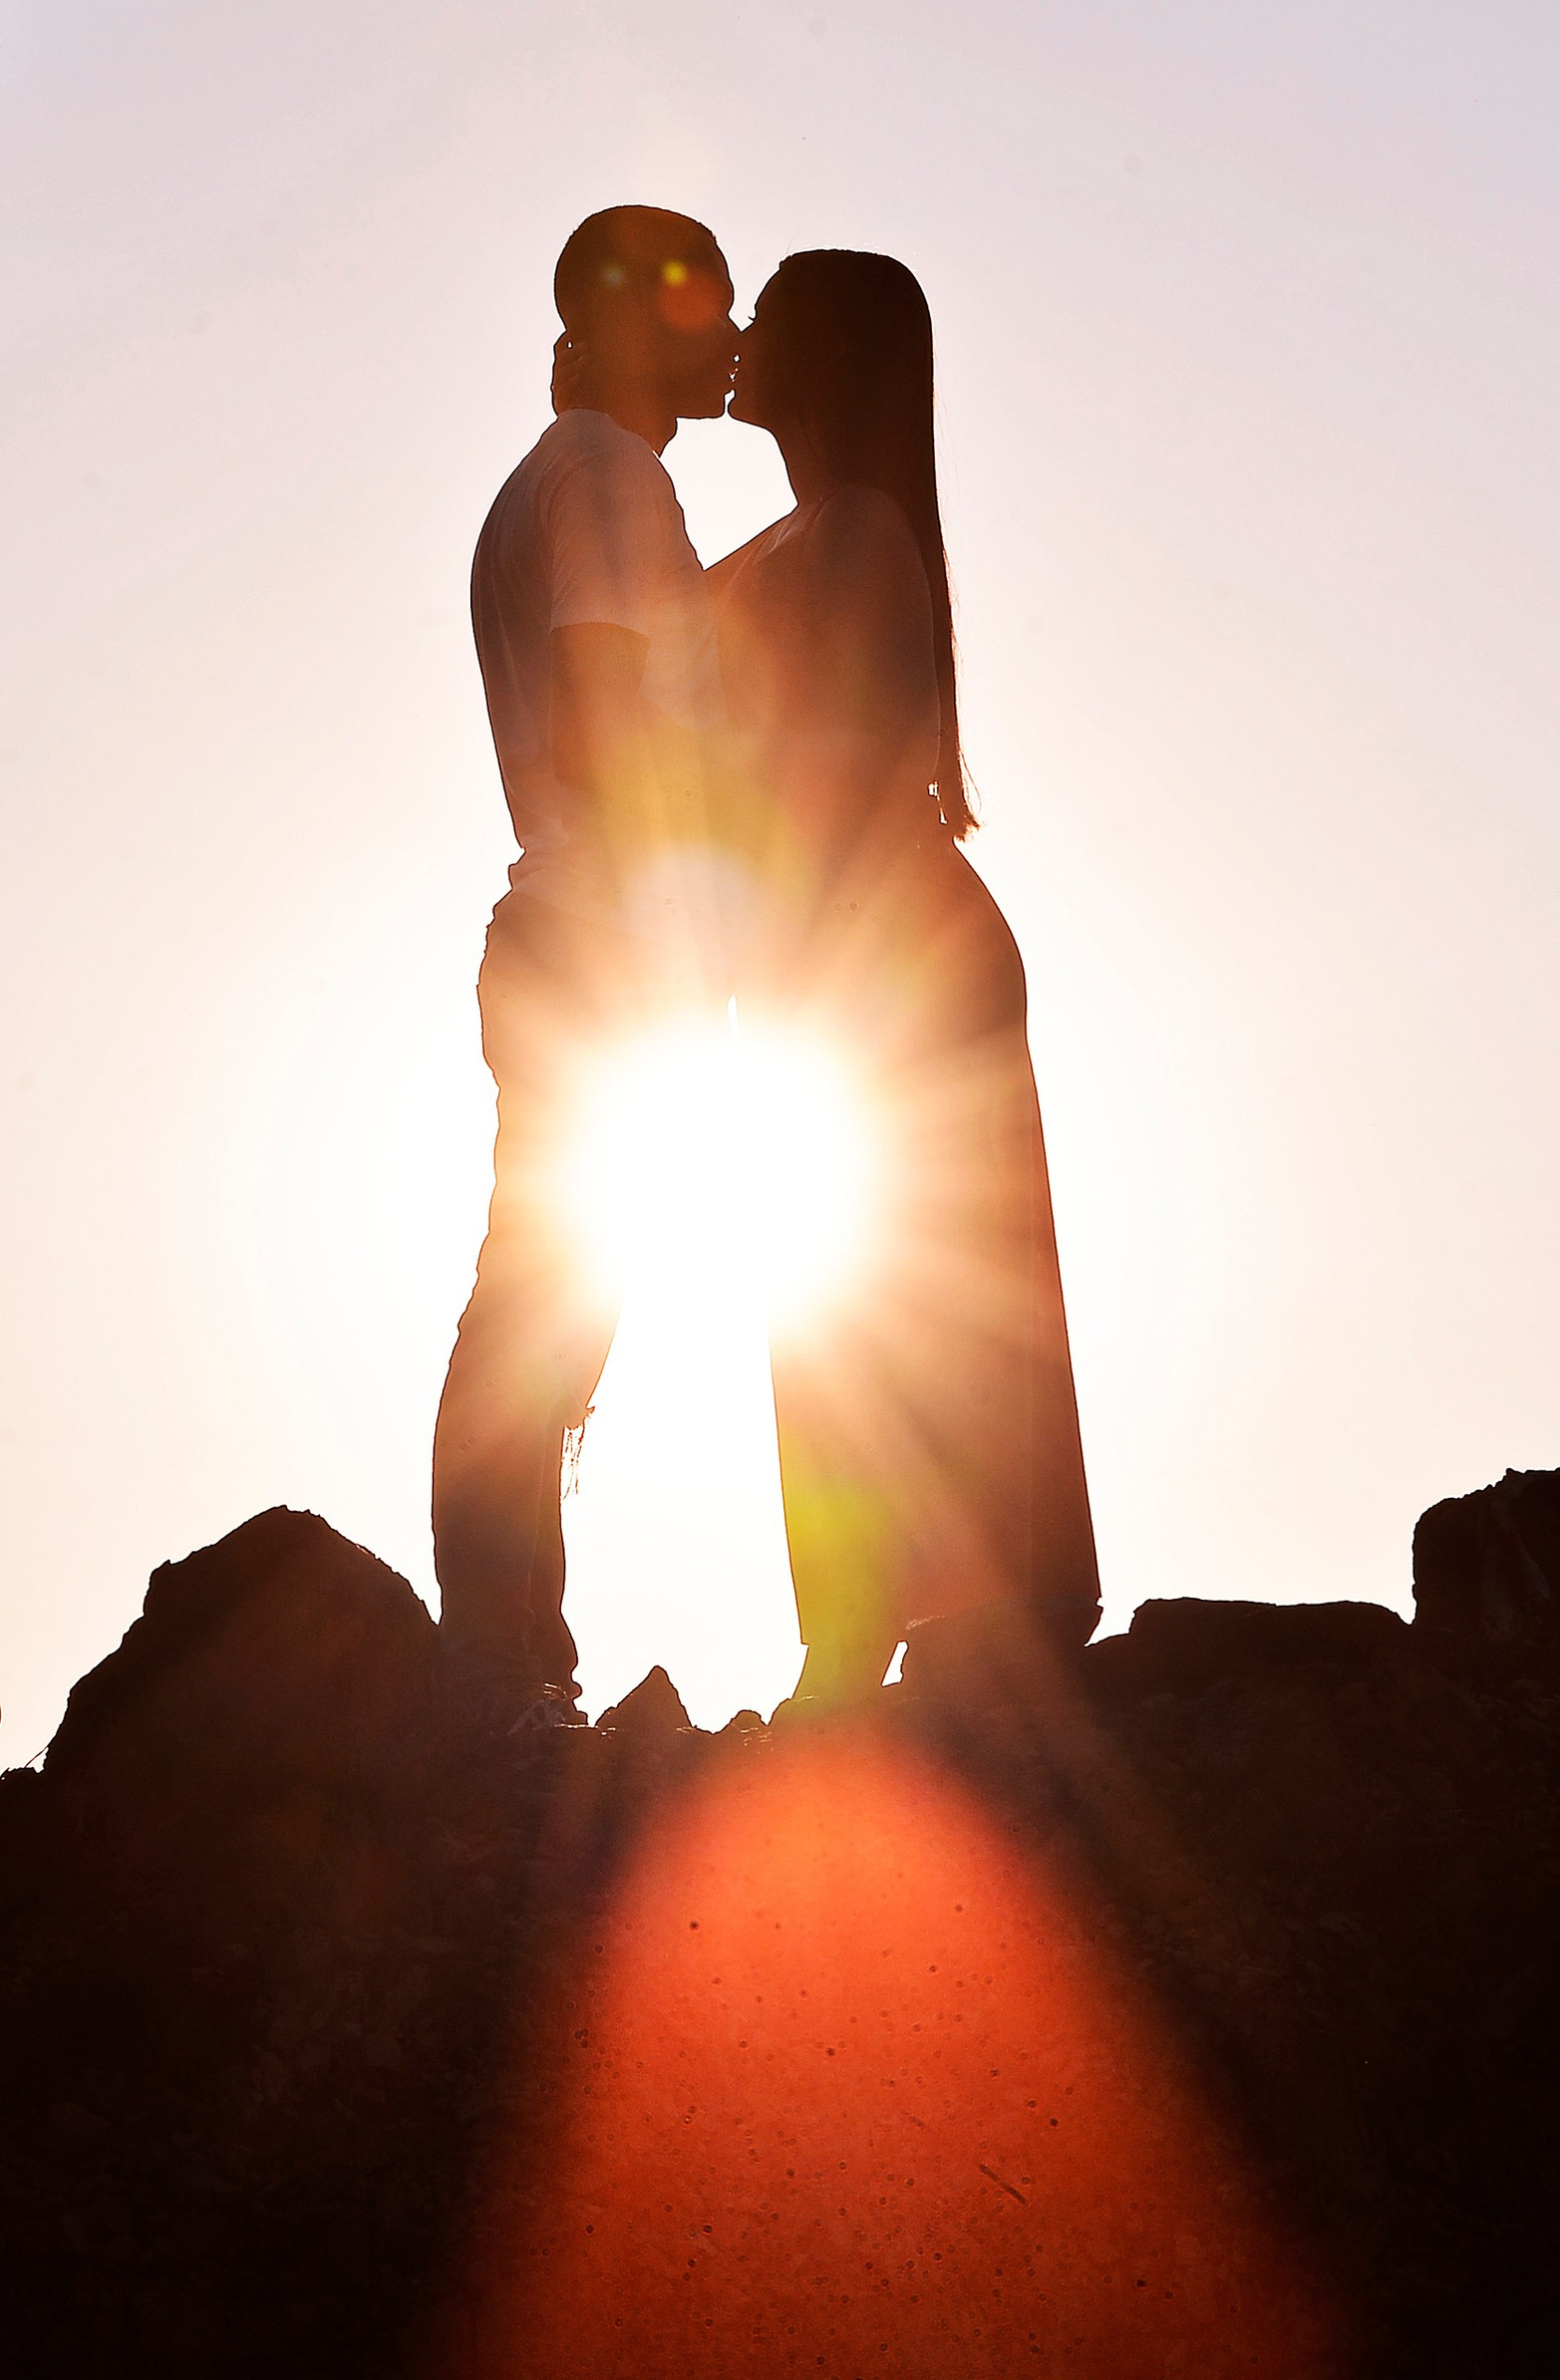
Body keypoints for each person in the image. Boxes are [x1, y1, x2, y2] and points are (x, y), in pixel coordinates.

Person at [711, 248, 1101, 1700]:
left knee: (902, 1279)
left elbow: (825, 761)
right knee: (846, 1278)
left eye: (774, 319)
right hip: (840, 944)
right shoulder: (815, 533)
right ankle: (868, 1616)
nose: (740, 337)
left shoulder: (855, 538)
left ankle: (928, 1610)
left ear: (831, 361)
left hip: (891, 946)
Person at [431, 201, 739, 1737]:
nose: (731, 333)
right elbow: (616, 708)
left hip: (558, 927)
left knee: (548, 1293)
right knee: (543, 1303)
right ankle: (499, 1662)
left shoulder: (549, 481)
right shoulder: (613, 480)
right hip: (598, 935)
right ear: (630, 322)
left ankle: (503, 1650)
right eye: (705, 306)